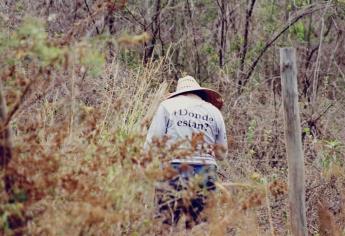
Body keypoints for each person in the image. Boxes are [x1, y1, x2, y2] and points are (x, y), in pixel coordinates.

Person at [144, 75, 228, 229]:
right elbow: (222, 154)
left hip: (173, 170)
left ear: (178, 93)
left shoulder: (167, 106)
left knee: (165, 224)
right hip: (206, 171)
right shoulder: (215, 113)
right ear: (200, 93)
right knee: (200, 227)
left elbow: (151, 144)